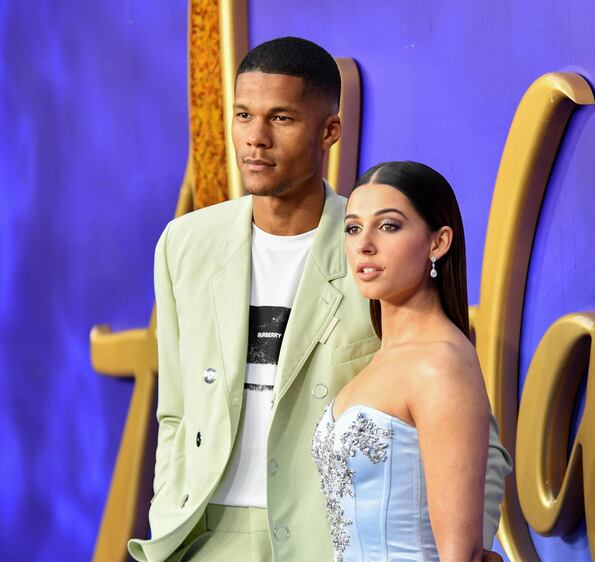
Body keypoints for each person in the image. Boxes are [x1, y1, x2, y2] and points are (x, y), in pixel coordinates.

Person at [128, 37, 511, 562]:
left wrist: (459, 547)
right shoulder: (185, 244)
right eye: (243, 115)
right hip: (202, 537)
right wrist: (167, 514)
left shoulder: (374, 256)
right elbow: (175, 412)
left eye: (281, 118)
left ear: (329, 130)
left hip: (323, 543)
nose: (256, 138)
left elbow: (474, 443)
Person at [312, 161, 493, 562]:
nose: (364, 244)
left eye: (389, 226)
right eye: (353, 228)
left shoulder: (440, 364)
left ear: (438, 242)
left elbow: (459, 555)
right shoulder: (381, 360)